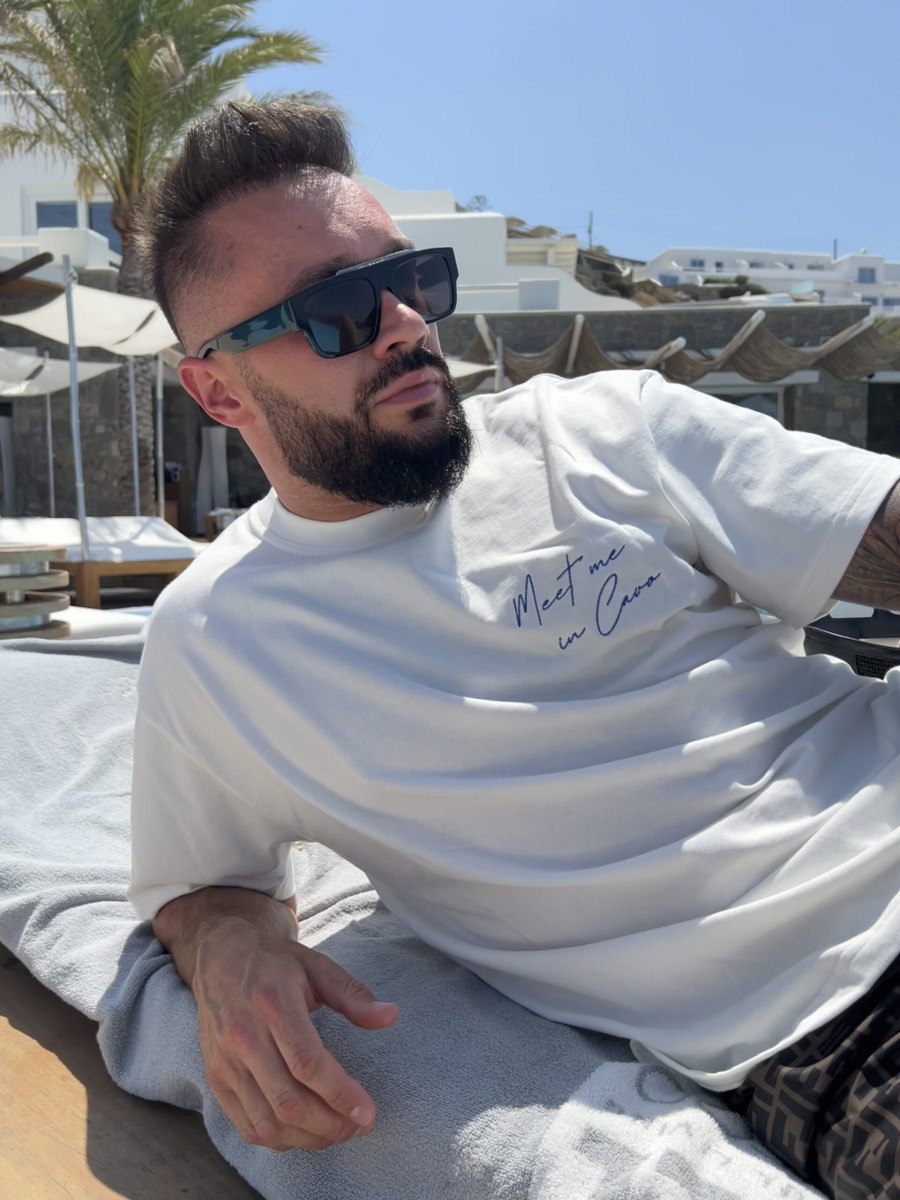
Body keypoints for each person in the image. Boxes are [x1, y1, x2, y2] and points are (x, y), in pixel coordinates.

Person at [129, 98, 900, 1198]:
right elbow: (199, 882)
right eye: (337, 309)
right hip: (828, 1014)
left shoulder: (603, 431)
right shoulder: (219, 643)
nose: (405, 323)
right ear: (216, 388)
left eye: (411, 278)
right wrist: (225, 947)